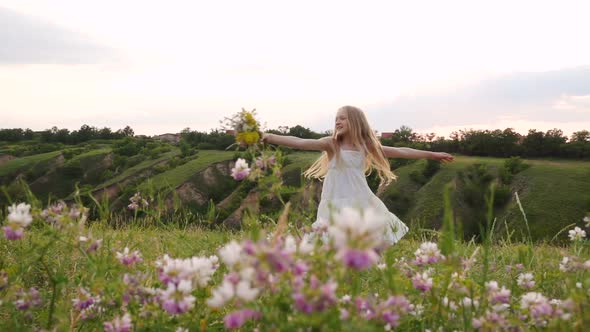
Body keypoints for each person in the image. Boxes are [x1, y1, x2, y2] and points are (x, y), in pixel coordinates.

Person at [261, 105, 454, 245]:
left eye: (343, 117)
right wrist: (270, 137)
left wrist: (432, 154)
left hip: (359, 198)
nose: (338, 121)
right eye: (336, 118)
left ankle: (363, 264)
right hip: (334, 199)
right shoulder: (332, 144)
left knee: (366, 235)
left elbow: (402, 151)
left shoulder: (366, 147)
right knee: (330, 236)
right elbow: (299, 142)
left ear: (355, 121)